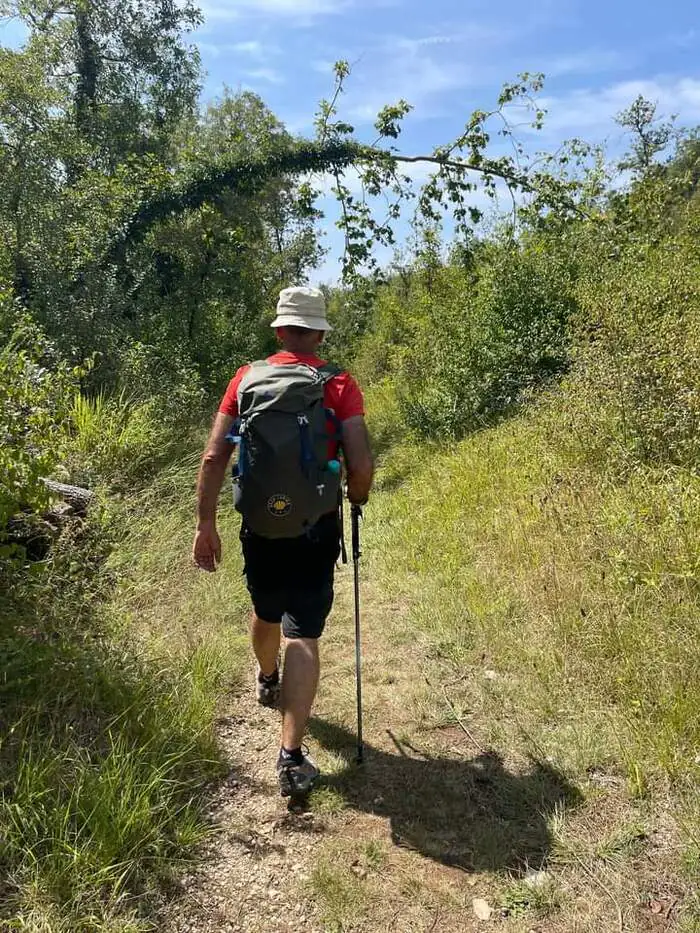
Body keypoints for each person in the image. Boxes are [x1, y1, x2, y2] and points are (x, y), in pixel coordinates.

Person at [193, 286, 374, 798]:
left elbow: (213, 458)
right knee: (304, 633)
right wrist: (355, 498)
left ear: (278, 330)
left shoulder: (245, 379)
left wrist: (206, 525)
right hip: (315, 526)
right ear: (318, 333)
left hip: (259, 527)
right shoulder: (338, 384)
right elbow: (359, 465)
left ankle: (266, 677)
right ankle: (291, 757)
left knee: (266, 611)